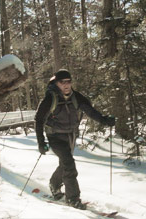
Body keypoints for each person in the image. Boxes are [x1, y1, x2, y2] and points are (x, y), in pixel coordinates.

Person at [35, 69, 115, 210]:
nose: (66, 85)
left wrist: (104, 120)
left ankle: (54, 184)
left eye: (68, 81)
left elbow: (90, 111)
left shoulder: (76, 96)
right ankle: (73, 199)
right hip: (55, 136)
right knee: (69, 164)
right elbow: (39, 119)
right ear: (56, 83)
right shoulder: (50, 98)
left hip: (70, 135)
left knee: (65, 164)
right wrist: (41, 142)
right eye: (62, 82)